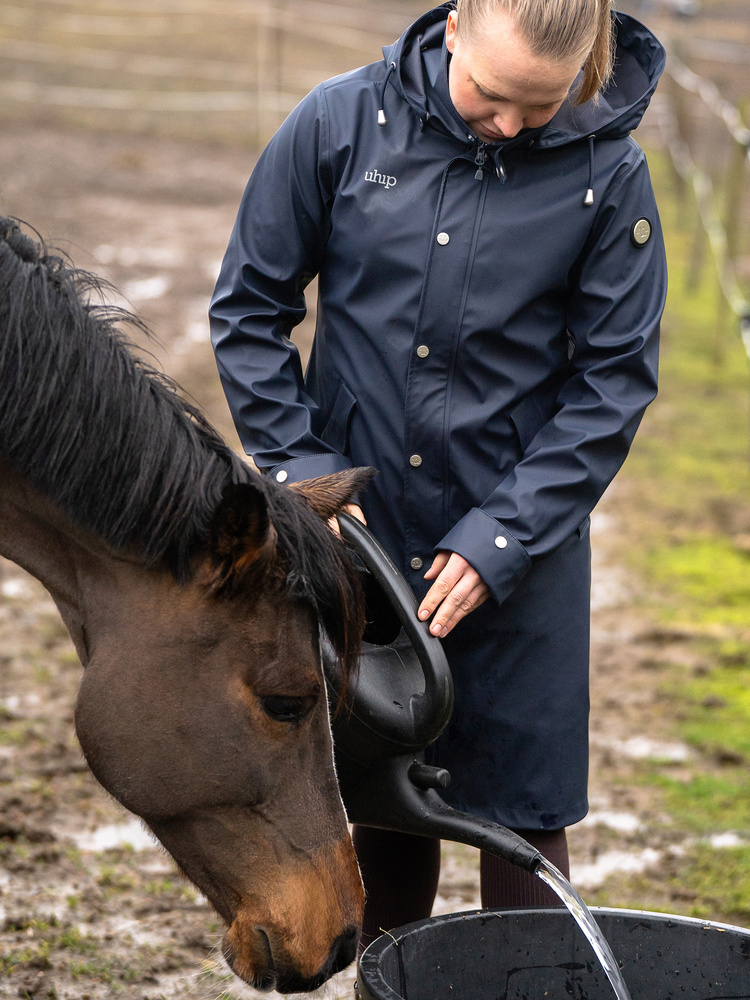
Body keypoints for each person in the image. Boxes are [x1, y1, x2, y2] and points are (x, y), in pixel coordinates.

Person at [210, 0, 667, 947]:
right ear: (454, 26)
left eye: (537, 110)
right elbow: (250, 309)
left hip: (519, 562)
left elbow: (612, 382)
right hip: (359, 548)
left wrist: (506, 536)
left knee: (524, 824)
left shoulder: (611, 175)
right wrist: (305, 478)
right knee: (380, 811)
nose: (507, 126)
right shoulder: (338, 122)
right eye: (493, 97)